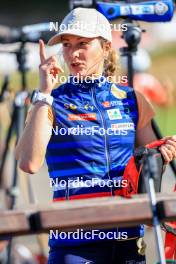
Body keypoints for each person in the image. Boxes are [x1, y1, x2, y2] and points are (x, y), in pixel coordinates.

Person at [15, 7, 176, 264]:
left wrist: (163, 152)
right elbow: (28, 163)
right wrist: (44, 92)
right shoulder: (51, 101)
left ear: (105, 47)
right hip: (75, 242)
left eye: (83, 43)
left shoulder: (132, 99)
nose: (73, 53)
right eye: (67, 44)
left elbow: (147, 163)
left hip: (128, 240)